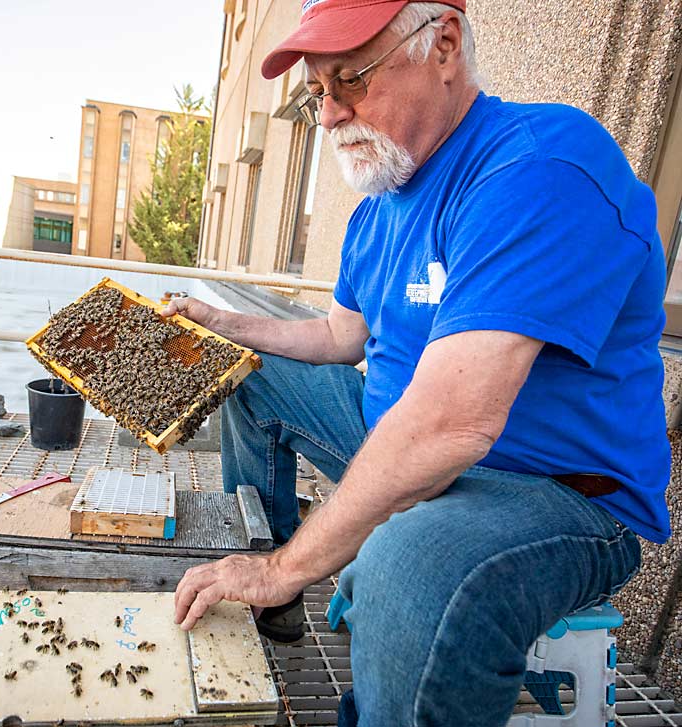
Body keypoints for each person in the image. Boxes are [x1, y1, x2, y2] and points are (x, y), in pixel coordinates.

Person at [168, 1, 671, 725]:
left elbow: (450, 425)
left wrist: (284, 567)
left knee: (409, 566)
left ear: (442, 44)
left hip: (554, 489)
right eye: (319, 93)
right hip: (403, 434)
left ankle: (285, 582)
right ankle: (276, 608)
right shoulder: (379, 204)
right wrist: (226, 325)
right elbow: (342, 334)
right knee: (244, 370)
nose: (333, 113)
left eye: (351, 79)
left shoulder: (539, 165)